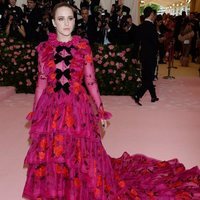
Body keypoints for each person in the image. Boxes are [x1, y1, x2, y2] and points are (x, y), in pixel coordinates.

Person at [23, 3, 200, 199]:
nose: (66, 23)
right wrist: (36, 113)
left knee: (79, 151)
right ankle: (58, 186)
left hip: (76, 108)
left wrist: (100, 111)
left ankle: (77, 187)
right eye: (61, 19)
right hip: (51, 108)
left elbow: (90, 81)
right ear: (54, 22)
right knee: (54, 149)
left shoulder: (82, 47)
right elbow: (40, 82)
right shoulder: (44, 48)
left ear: (75, 20)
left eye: (70, 18)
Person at [132, 7, 159, 106]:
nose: (155, 16)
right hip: (151, 56)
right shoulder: (152, 27)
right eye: (154, 14)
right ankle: (137, 94)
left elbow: (136, 43)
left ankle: (153, 96)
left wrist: (134, 56)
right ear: (151, 14)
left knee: (146, 76)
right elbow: (155, 43)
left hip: (143, 55)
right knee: (150, 77)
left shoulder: (140, 26)